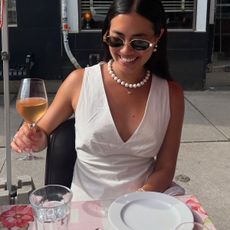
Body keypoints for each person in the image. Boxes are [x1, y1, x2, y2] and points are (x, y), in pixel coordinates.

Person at [11, 0, 185, 201]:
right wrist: (30, 137)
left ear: (158, 37)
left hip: (143, 202)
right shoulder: (79, 82)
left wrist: (135, 203)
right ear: (106, 36)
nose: (126, 51)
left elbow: (165, 167)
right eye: (116, 40)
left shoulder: (171, 94)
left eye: (139, 43)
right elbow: (42, 133)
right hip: (85, 205)